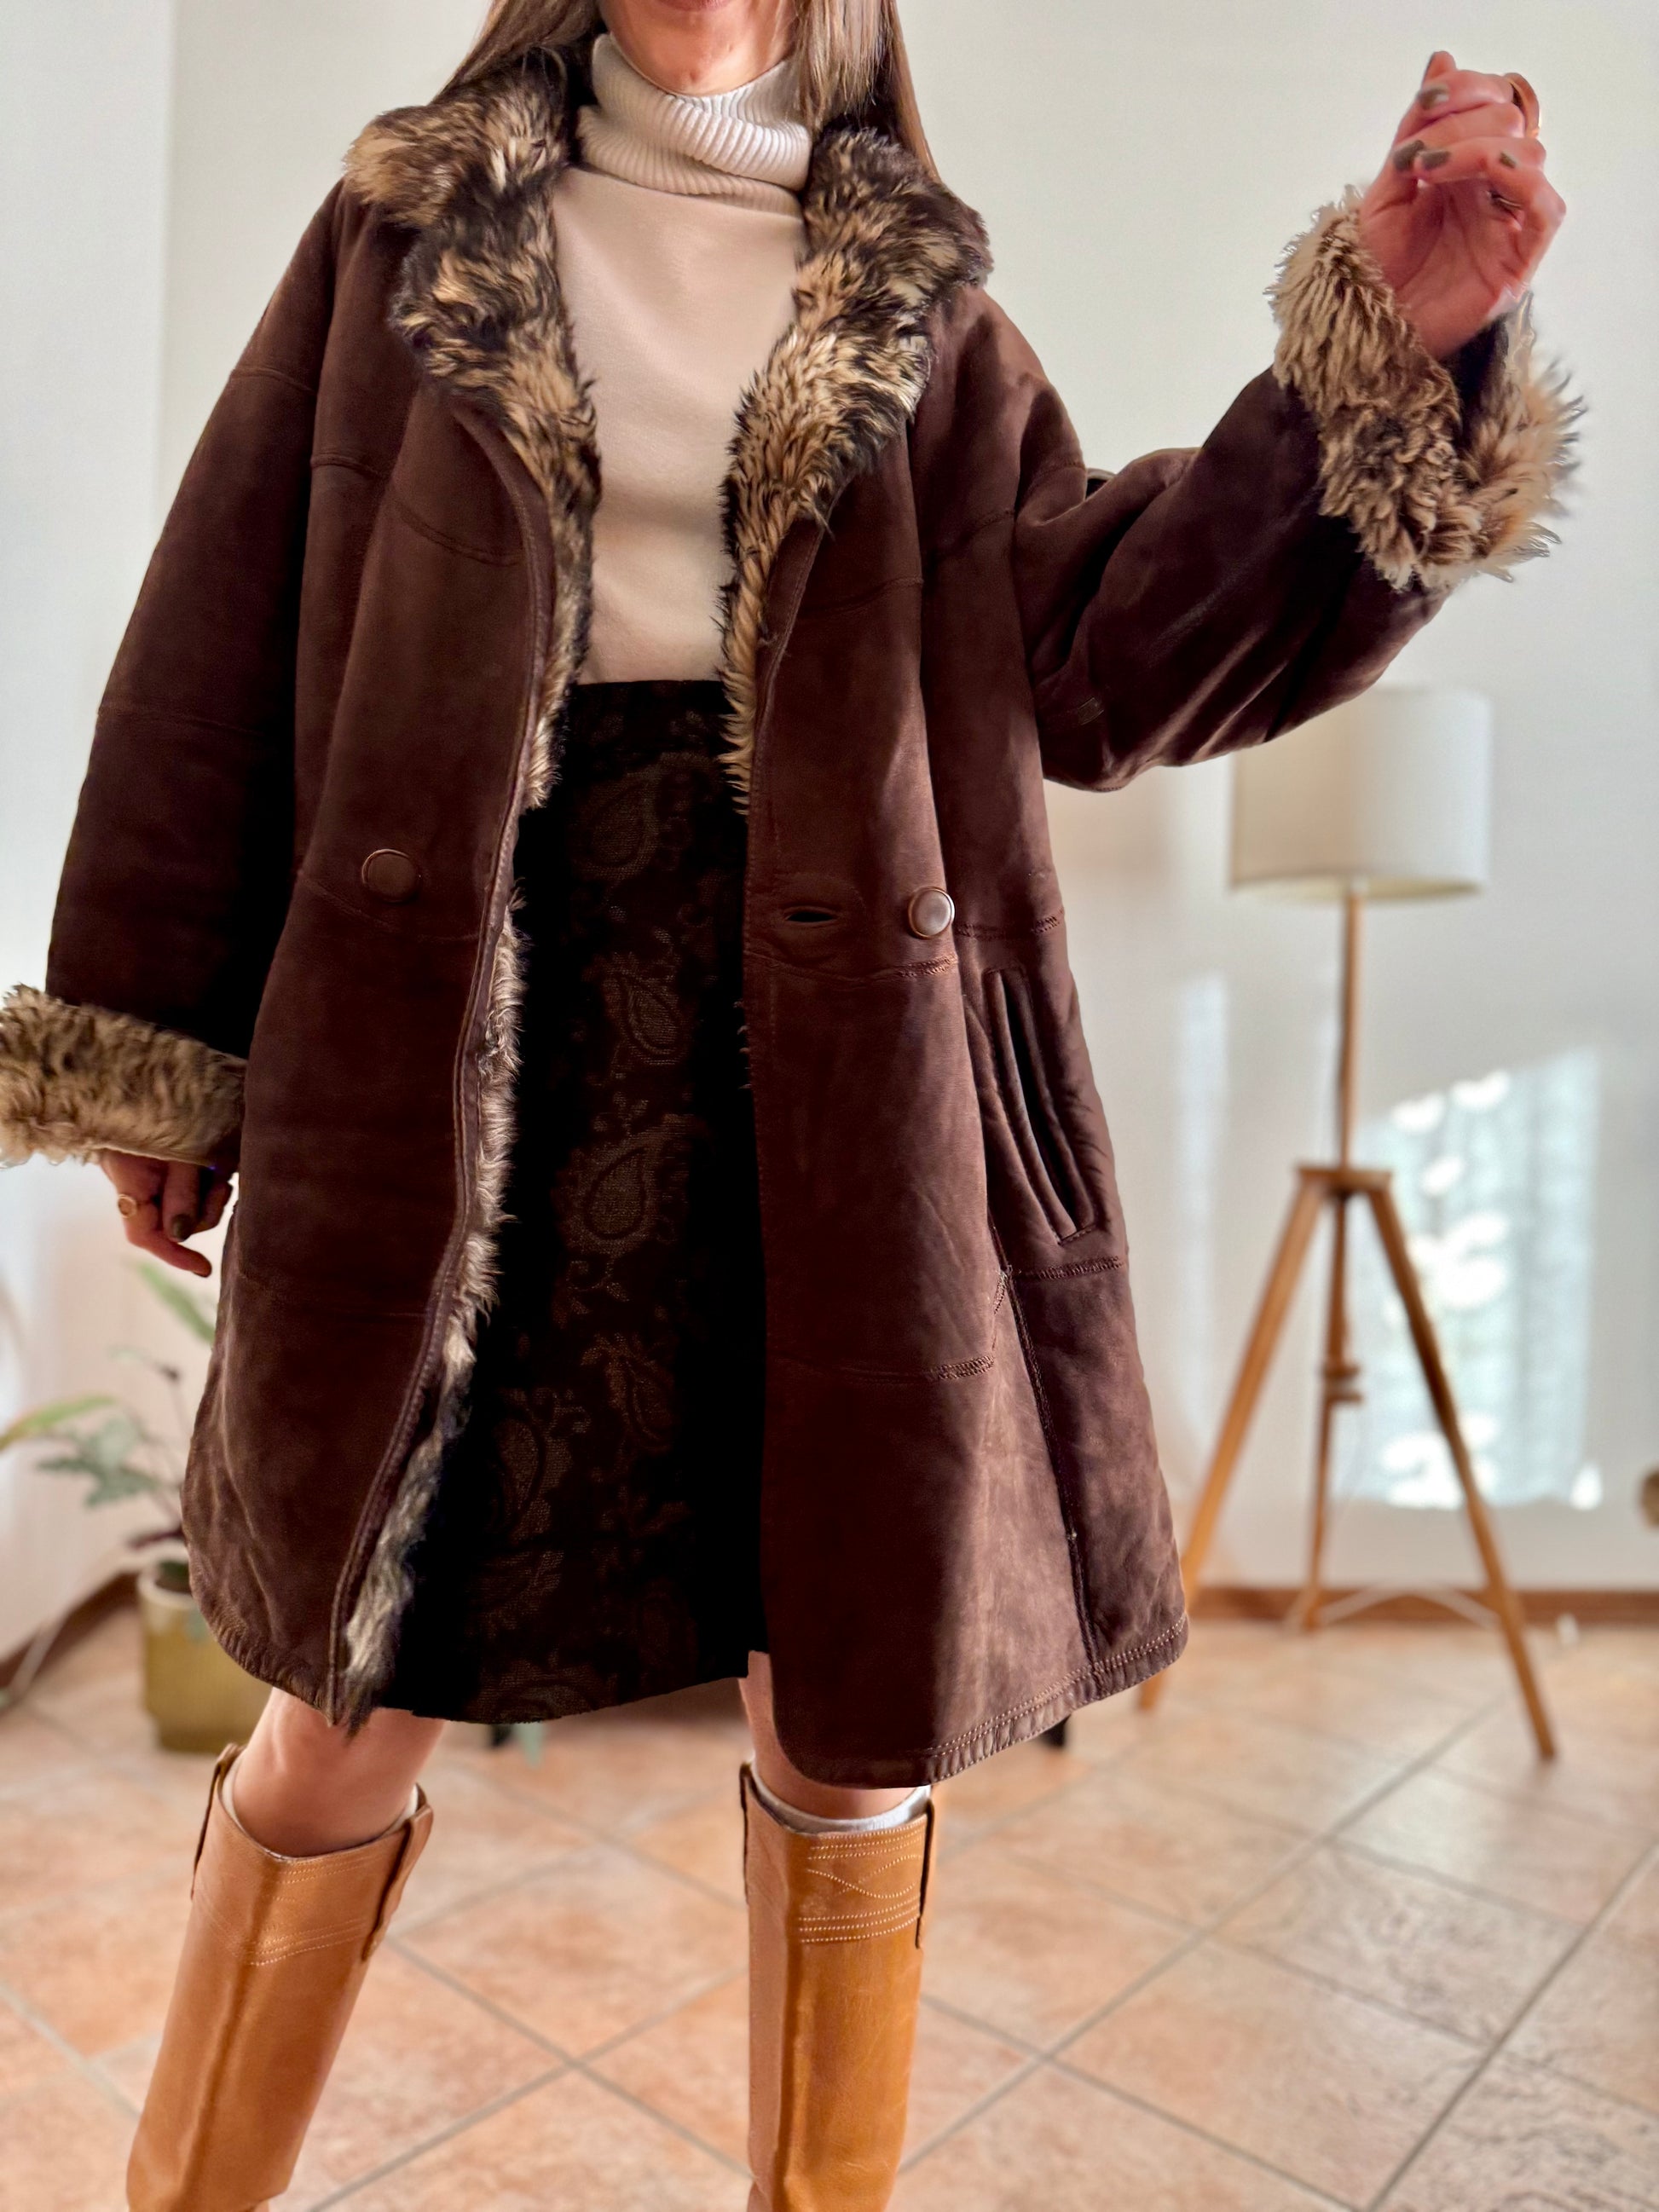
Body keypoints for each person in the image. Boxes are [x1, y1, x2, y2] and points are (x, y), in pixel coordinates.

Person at [0, 3, 1569, 2205]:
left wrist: (1386, 357)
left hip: (830, 1078)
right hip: (463, 1050)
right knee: (345, 1703)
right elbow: (215, 634)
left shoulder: (918, 296)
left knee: (841, 1722)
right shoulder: (404, 232)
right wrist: (149, 1032)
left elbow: (1106, 660)